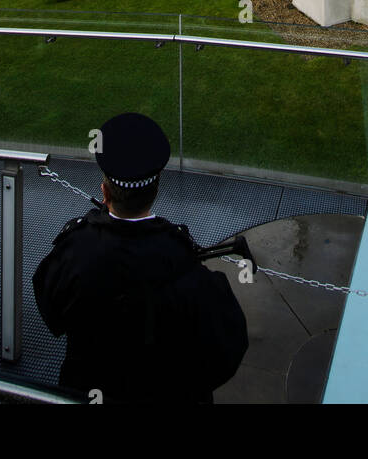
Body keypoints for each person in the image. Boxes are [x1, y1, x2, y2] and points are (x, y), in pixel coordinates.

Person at [32, 112, 249, 403]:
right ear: (156, 187)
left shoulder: (75, 252)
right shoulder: (187, 267)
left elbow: (51, 309)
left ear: (105, 192)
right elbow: (226, 351)